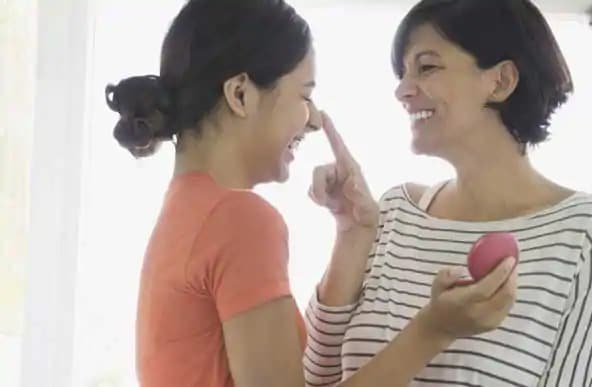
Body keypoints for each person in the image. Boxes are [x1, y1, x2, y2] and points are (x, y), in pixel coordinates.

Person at [104, 1, 518, 386]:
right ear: (241, 94)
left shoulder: (185, 209)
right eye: (304, 95)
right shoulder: (240, 219)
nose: (316, 119)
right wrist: (435, 329)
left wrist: (351, 233)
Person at [304, 0, 592, 386]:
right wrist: (349, 235)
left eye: (426, 67)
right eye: (402, 73)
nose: (401, 91)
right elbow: (316, 379)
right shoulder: (394, 212)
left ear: (501, 81)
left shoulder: (588, 232)